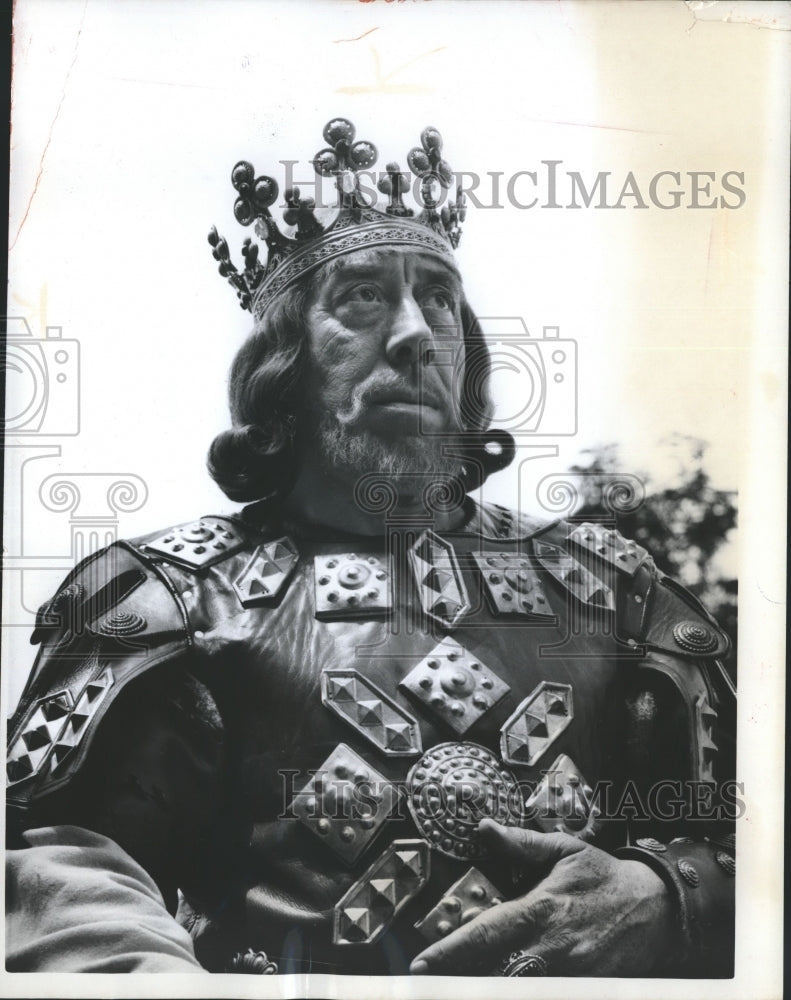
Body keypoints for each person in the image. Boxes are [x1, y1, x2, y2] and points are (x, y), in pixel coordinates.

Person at [5, 118, 736, 977]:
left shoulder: (615, 592)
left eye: (439, 299)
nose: (416, 333)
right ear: (284, 362)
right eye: (361, 296)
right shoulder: (170, 596)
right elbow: (63, 868)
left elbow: (743, 840)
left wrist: (668, 895)